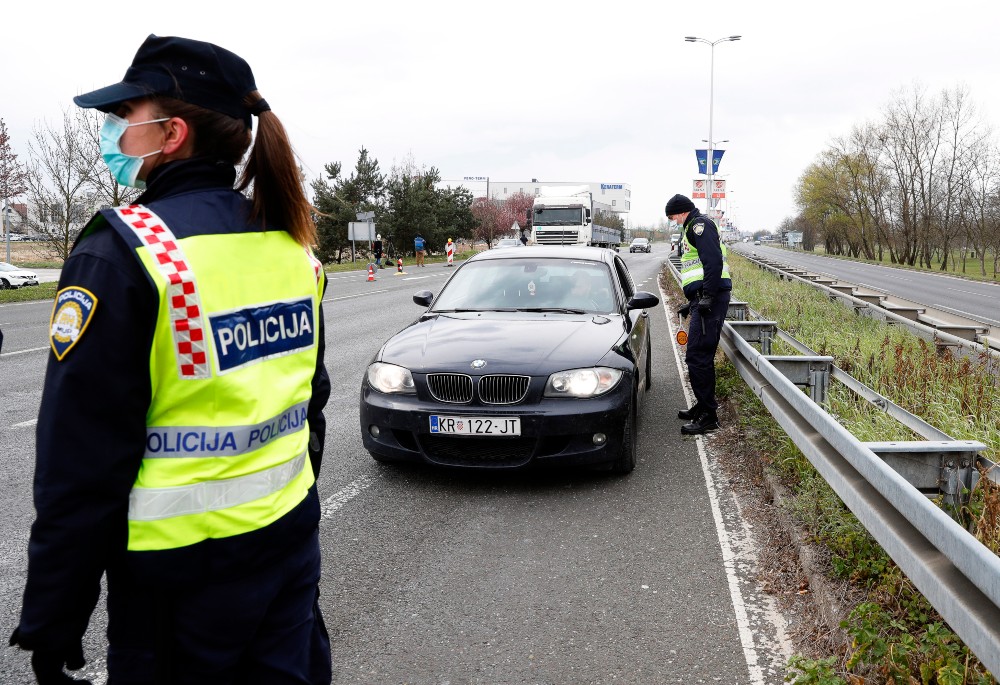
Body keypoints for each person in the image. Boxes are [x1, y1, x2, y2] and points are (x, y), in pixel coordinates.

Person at [9, 35, 332, 684]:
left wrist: (54, 617)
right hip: (287, 559)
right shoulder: (291, 245)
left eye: (127, 115)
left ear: (172, 133)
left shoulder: (126, 253)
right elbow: (308, 410)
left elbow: (81, 471)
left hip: (178, 593)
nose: (114, 130)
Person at [665, 193, 732, 435]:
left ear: (682, 212)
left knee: (698, 356)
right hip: (704, 297)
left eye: (673, 217)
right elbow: (697, 268)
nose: (674, 221)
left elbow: (712, 262)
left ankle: (709, 416)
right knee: (697, 356)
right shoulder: (691, 227)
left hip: (710, 298)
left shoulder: (699, 225)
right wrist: (694, 300)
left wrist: (708, 297)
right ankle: (702, 407)